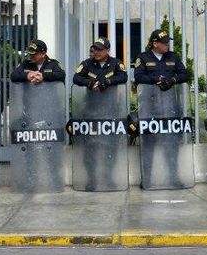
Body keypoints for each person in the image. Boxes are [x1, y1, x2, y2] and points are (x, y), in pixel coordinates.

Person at [133, 29, 189, 187]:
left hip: (170, 108)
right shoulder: (143, 58)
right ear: (154, 43)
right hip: (150, 109)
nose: (167, 45)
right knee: (149, 145)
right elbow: (138, 77)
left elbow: (184, 74)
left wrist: (173, 79)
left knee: (171, 146)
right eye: (164, 42)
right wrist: (155, 79)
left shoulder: (173, 57)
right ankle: (148, 179)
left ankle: (173, 177)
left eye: (167, 42)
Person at [72, 37, 128, 190]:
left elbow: (123, 76)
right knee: (90, 149)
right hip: (91, 112)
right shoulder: (87, 63)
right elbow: (76, 78)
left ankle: (108, 178)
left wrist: (108, 82)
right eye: (95, 49)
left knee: (111, 148)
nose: (96, 52)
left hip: (111, 111)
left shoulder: (116, 63)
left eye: (100, 49)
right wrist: (89, 83)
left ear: (107, 50)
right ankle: (92, 179)